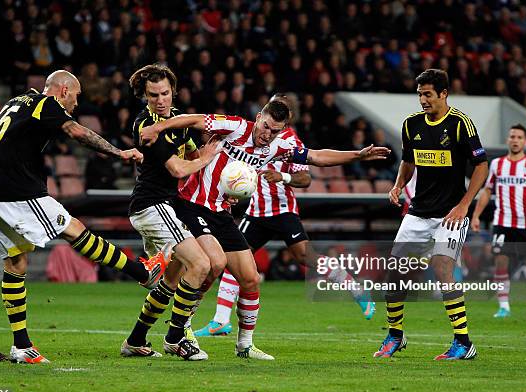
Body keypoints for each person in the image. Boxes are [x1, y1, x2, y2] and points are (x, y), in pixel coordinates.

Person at [141, 100, 390, 360]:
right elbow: (194, 118)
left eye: (275, 131)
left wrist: (357, 155)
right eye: (266, 127)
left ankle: (245, 346)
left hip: (223, 212)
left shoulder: (278, 146)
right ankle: (184, 328)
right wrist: (159, 128)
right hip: (192, 204)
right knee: (214, 264)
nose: (267, 135)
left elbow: (316, 156)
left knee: (249, 278)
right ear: (258, 117)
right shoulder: (235, 126)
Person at [0, 70, 171, 364]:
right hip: (14, 189)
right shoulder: (46, 103)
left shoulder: (16, 102)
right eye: (76, 97)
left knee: (16, 261)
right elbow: (77, 132)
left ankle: (22, 346)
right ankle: (142, 273)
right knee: (73, 228)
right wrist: (119, 153)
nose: (76, 105)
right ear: (63, 90)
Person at [193, 94, 376, 338]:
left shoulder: (289, 142)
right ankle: (220, 320)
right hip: (256, 210)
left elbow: (306, 177)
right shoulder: (250, 134)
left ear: (286, 120)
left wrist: (283, 177)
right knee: (232, 259)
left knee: (305, 256)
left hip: (282, 210)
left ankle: (355, 289)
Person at [374, 69, 488, 360]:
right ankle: (395, 336)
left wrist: (464, 205)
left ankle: (463, 343)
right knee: (394, 274)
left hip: (450, 214)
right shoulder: (411, 125)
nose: (422, 100)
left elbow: (481, 166)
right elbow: (408, 162)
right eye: (420, 94)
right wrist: (399, 184)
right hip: (418, 213)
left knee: (441, 268)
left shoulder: (461, 124)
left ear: (443, 94)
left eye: (428, 94)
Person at [120, 64, 220, 361]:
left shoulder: (179, 121)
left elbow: (191, 155)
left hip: (167, 205)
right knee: (200, 265)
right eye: (153, 95)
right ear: (144, 96)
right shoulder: (144, 125)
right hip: (151, 205)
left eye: (164, 93)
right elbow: (179, 168)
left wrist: (207, 160)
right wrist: (207, 158)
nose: (160, 100)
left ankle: (135, 340)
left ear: (172, 91)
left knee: (173, 279)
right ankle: (176, 338)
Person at [471, 124, 526, 318]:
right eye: (512, 136)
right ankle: (504, 305)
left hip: (525, 224)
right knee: (501, 262)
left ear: (525, 141)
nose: (515, 140)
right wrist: (476, 215)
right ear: (508, 140)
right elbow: (487, 190)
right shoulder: (497, 164)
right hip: (502, 223)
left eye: (519, 137)